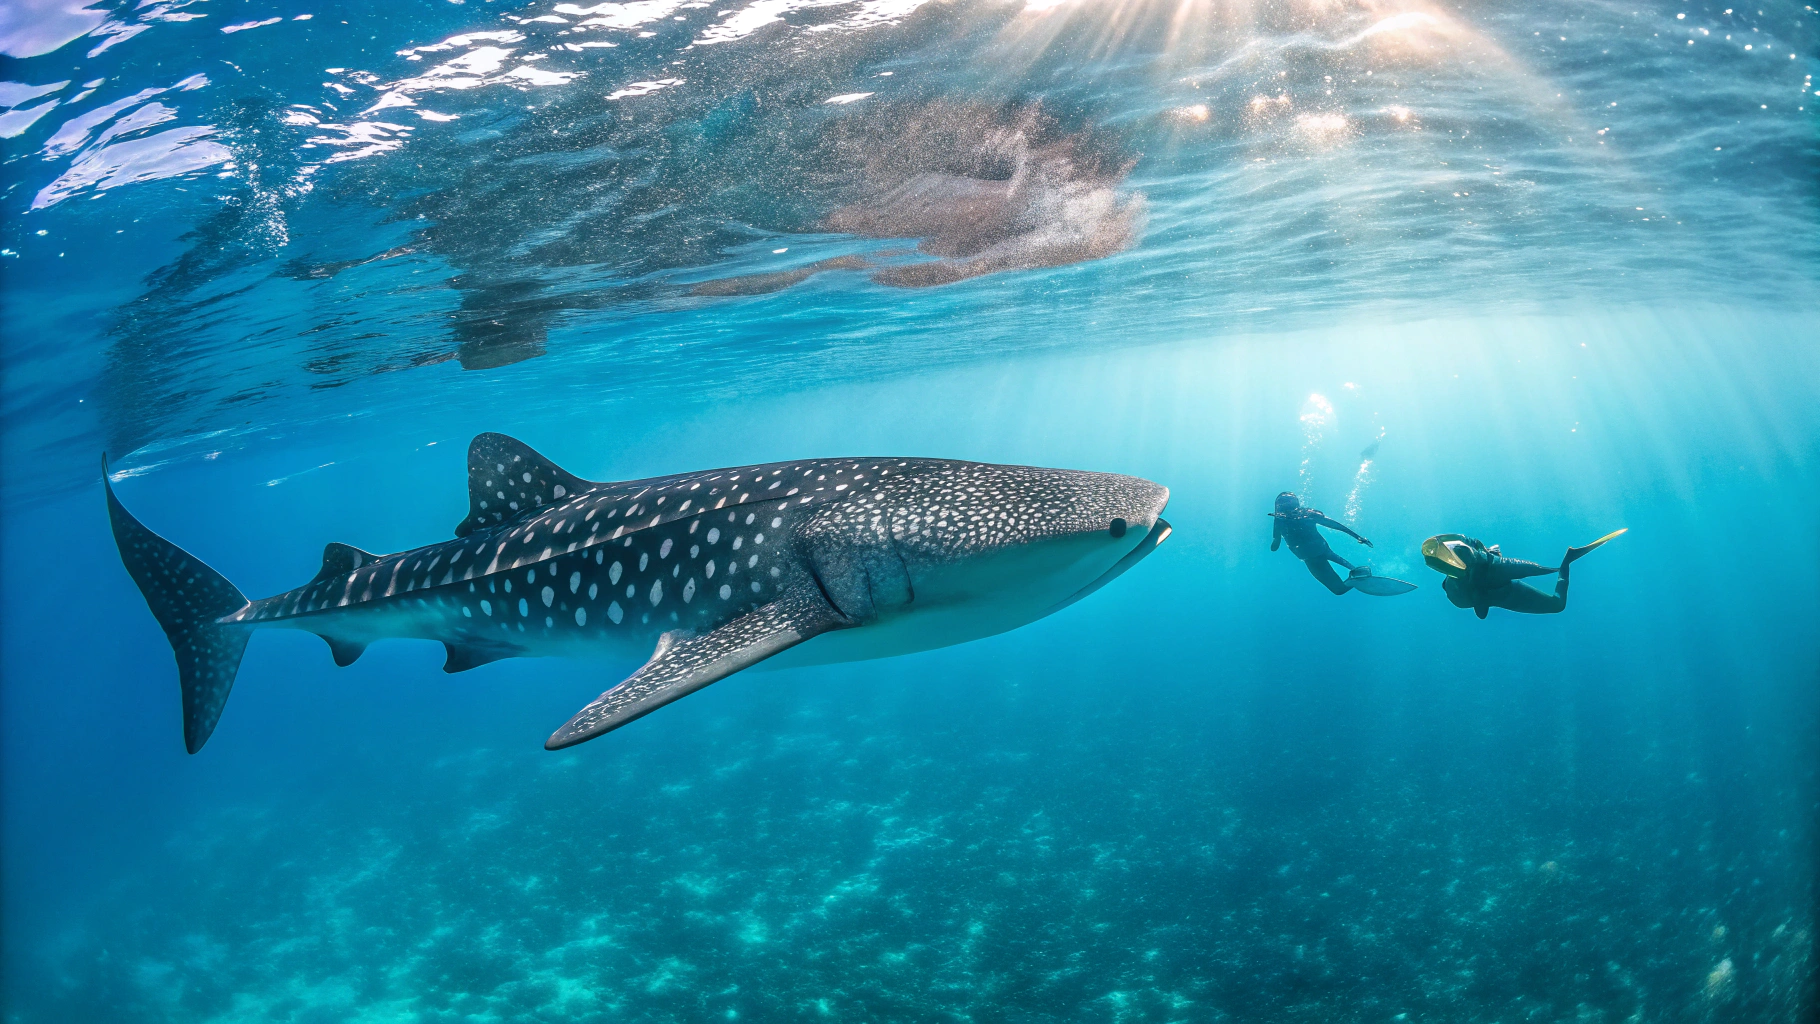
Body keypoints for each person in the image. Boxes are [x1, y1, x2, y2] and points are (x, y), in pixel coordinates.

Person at [1422, 530, 1625, 618]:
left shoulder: (1461, 593)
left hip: (1490, 576)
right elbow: (1469, 545)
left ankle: (1566, 562)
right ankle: (1565, 562)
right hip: (1492, 575)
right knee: (1551, 589)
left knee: (1556, 603)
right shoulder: (1460, 587)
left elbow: (1481, 611)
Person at [1270, 491, 1376, 595]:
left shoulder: (1283, 520)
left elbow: (1275, 544)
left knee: (1339, 590)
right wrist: (1357, 536)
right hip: (1319, 552)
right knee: (1341, 587)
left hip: (1314, 556)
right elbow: (1335, 525)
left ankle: (1357, 575)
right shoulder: (1303, 515)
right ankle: (1358, 574)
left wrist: (1276, 542)